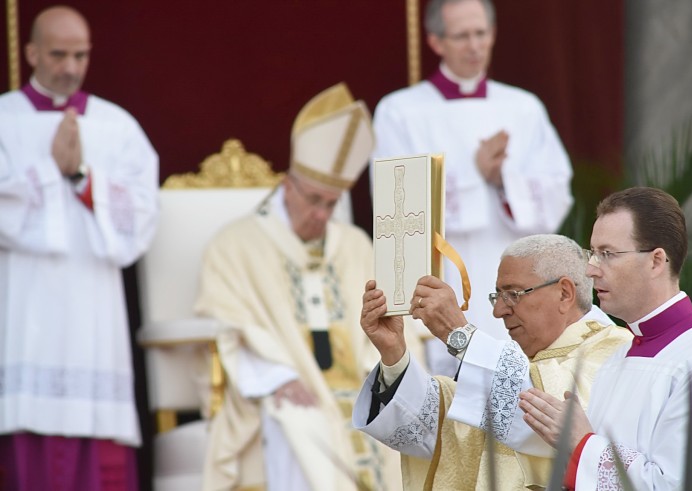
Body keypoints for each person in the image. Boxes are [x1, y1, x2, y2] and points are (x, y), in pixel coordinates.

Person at [194, 83, 423, 491]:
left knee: (396, 424)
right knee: (302, 424)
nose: (320, 214)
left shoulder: (354, 245)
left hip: (361, 384)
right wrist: (276, 378)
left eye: (331, 204)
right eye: (313, 199)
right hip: (286, 387)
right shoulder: (235, 245)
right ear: (287, 185)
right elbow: (226, 326)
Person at [480, 188, 692, 489]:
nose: (591, 269)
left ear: (656, 261)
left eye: (607, 254)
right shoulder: (618, 357)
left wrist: (581, 442)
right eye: (592, 253)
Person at [0, 6, 159, 490]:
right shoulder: (5, 118)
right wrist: (50, 170)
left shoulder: (117, 126)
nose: (71, 67)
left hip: (95, 308)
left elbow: (143, 216)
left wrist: (81, 177)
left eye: (81, 55)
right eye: (59, 54)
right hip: (26, 304)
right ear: (30, 53)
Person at [371, 0, 573, 375]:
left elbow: (557, 192)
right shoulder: (399, 112)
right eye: (461, 36)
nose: (474, 46)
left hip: (514, 276)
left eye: (481, 34)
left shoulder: (524, 107)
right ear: (435, 41)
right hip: (445, 272)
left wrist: (502, 179)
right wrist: (475, 175)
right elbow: (396, 206)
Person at [353, 234, 632, 490]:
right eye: (496, 296)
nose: (499, 311)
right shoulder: (516, 362)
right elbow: (428, 433)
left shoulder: (614, 352)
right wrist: (394, 355)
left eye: (513, 294)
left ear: (564, 293)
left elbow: (539, 416)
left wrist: (458, 333)